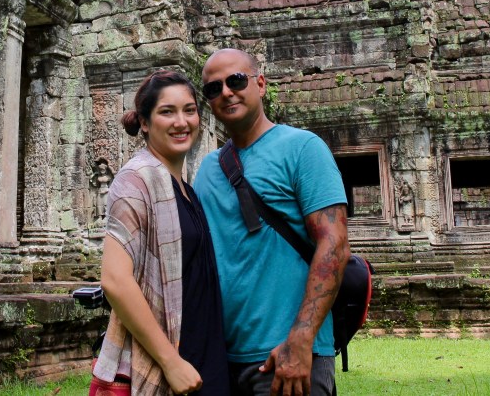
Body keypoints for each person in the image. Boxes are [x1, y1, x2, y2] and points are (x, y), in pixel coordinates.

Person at [194, 49, 349, 396]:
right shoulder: (206, 170)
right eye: (213, 89)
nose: (226, 93)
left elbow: (334, 244)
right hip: (220, 359)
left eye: (236, 81)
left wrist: (301, 339)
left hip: (285, 356)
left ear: (260, 84)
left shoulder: (302, 148)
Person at [92, 70, 229, 396]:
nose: (181, 122)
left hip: (203, 356)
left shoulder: (186, 189)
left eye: (189, 110)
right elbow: (115, 280)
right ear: (144, 122)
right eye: (167, 111)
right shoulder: (136, 180)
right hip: (168, 363)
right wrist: (170, 362)